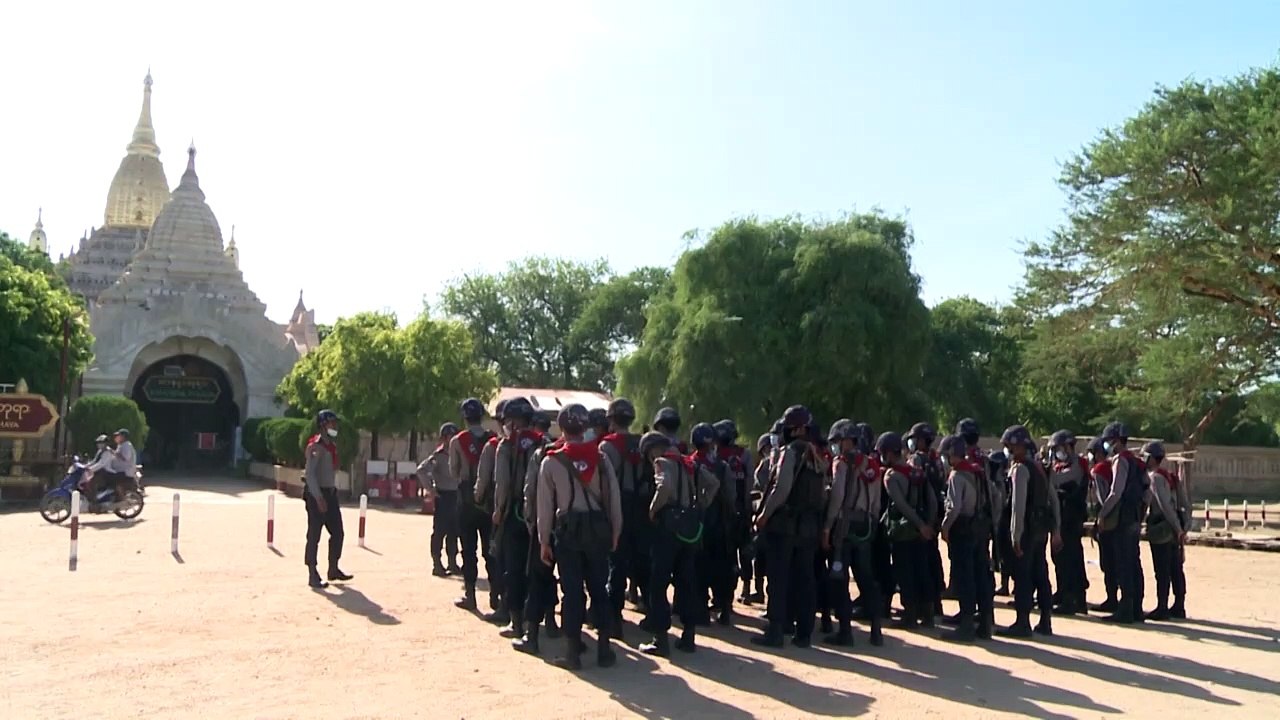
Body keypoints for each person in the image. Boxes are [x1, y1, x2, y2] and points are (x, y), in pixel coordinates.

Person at [536, 404, 623, 671]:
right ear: (585, 427)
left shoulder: (551, 461)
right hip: (598, 531)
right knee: (599, 588)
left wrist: (543, 540)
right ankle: (604, 650)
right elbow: (613, 498)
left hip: (568, 533)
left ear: (561, 428)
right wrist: (616, 531)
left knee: (571, 592)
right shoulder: (601, 458)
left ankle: (572, 653)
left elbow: (545, 506)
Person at [640, 429, 720, 656]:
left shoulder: (662, 462)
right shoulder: (690, 463)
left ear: (653, 449)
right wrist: (700, 504)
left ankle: (660, 639)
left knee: (658, 584)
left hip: (667, 529)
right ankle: (688, 636)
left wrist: (653, 509)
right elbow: (714, 483)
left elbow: (664, 486)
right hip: (690, 528)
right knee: (686, 582)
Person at [752, 405, 826, 648]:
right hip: (809, 527)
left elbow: (781, 489)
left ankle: (776, 630)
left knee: (778, 578)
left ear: (796, 429)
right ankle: (804, 634)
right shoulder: (816, 456)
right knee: (805, 579)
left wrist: (764, 514)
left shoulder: (789, 453)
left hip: (785, 525)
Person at [822, 419, 884, 647]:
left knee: (839, 578)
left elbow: (837, 497)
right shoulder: (871, 465)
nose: (835, 446)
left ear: (847, 441)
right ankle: (876, 629)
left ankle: (845, 631)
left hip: (844, 527)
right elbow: (876, 502)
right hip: (865, 526)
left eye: (838, 441)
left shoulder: (840, 464)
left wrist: (827, 527)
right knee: (866, 578)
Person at [998, 425, 1061, 638]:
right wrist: (1056, 530)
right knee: (1041, 573)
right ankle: (1045, 620)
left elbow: (1018, 505)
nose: (1008, 450)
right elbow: (1053, 500)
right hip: (1040, 530)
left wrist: (1015, 535)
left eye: (1010, 446)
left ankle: (1022, 622)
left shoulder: (1020, 469)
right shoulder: (1038, 468)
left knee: (1023, 576)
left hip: (1026, 530)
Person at [492, 397, 543, 639]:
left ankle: (516, 622)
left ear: (511, 421)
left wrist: (498, 509)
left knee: (513, 567)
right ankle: (542, 621)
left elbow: (502, 483)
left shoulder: (505, 445)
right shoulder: (543, 443)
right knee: (536, 568)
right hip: (539, 512)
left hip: (514, 512)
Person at [938, 434, 996, 641]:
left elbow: (954, 507)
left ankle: (966, 625)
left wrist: (945, 527)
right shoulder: (977, 472)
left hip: (963, 529)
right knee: (981, 576)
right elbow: (994, 497)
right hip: (980, 528)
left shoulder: (957, 475)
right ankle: (985, 624)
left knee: (965, 577)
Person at [513, 422, 562, 655]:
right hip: (576, 527)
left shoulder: (541, 454)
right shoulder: (592, 453)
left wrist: (531, 521)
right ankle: (569, 638)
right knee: (573, 583)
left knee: (538, 578)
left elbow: (530, 489)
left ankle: (531, 636)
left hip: (546, 525)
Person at [880, 430, 938, 629]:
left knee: (905, 573)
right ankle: (928, 615)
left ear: (888, 453)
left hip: (903, 532)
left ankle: (910, 616)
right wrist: (928, 525)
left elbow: (902, 505)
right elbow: (932, 500)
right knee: (922, 570)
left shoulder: (891, 476)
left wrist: (920, 525)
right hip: (922, 532)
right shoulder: (918, 473)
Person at [600, 398, 643, 639]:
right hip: (642, 507)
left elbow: (604, 483)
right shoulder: (642, 442)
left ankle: (614, 618)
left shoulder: (607, 446)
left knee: (615, 563)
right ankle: (651, 614)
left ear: (611, 420)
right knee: (641, 560)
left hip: (618, 505)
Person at [450, 398, 497, 613]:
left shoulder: (458, 441)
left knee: (468, 550)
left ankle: (470, 595)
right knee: (491, 549)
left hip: (466, 498)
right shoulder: (493, 439)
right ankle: (496, 595)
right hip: (489, 498)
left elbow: (454, 471)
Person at [1097, 421, 1147, 624]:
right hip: (1134, 516)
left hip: (1122, 517)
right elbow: (1147, 491)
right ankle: (1137, 609)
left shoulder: (1120, 461)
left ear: (1117, 441)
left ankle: (1125, 610)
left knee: (1124, 563)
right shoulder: (1138, 462)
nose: (1107, 445)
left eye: (1109, 441)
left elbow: (1116, 492)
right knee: (1134, 562)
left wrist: (1103, 514)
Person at [690, 422, 735, 626]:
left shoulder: (690, 463)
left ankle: (700, 611)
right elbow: (731, 496)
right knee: (722, 568)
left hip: (697, 524)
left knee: (699, 568)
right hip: (720, 524)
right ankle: (724, 609)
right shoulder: (722, 466)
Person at [303, 410, 351, 589]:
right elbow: (310, 474)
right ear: (323, 425)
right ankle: (312, 572)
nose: (335, 426)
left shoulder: (330, 446)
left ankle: (333, 568)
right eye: (332, 423)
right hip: (317, 494)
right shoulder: (316, 446)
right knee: (314, 535)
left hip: (330, 494)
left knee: (338, 532)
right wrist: (318, 497)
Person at [1141, 441, 1189, 621]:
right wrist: (1183, 526)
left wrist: (1177, 528)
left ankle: (1162, 607)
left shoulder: (1155, 477)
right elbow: (1184, 503)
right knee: (1176, 568)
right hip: (1174, 527)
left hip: (1163, 527)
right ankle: (1179, 605)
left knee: (1162, 569)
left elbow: (1164, 505)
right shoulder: (1171, 476)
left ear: (1152, 458)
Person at [714, 419, 755, 611]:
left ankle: (724, 598)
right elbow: (749, 482)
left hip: (723, 512)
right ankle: (745, 589)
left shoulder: (716, 455)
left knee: (728, 555)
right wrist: (747, 507)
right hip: (740, 509)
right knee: (743, 551)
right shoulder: (744, 454)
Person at [906, 422, 946, 618]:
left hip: (922, 513)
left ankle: (924, 607)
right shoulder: (937, 460)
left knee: (920, 561)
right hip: (936, 512)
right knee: (932, 557)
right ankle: (936, 604)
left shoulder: (916, 460)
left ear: (922, 440)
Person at [1048, 429, 1089, 615]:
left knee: (1070, 559)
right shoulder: (1062, 465)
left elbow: (1057, 480)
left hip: (1072, 519)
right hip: (1063, 519)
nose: (1057, 452)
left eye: (1059, 448)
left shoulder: (1077, 465)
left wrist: (1045, 470)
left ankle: (1073, 598)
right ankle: (1063, 592)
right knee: (1059, 557)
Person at [418, 422, 461, 577]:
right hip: (443, 496)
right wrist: (431, 489)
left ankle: (452, 563)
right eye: (449, 436)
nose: (452, 439)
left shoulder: (459, 454)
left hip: (457, 496)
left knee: (454, 531)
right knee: (439, 531)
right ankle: (437, 564)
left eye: (454, 436)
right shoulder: (439, 456)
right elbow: (422, 470)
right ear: (443, 438)